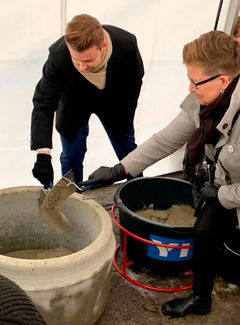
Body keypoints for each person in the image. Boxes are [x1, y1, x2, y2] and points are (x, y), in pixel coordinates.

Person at [80, 30, 240, 318]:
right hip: (223, 181)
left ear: (223, 81)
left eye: (195, 81)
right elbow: (166, 140)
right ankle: (201, 300)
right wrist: (120, 169)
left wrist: (222, 194)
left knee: (231, 260)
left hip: (234, 189)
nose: (190, 88)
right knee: (204, 230)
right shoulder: (204, 99)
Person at [31, 14, 144, 187]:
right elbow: (43, 101)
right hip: (73, 104)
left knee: (128, 150)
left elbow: (135, 80)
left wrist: (126, 115)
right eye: (76, 60)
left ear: (103, 46)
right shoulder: (58, 54)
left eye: (88, 60)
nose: (82, 67)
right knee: (71, 155)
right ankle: (72, 198)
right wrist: (42, 155)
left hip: (115, 103)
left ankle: (139, 192)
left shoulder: (126, 43)